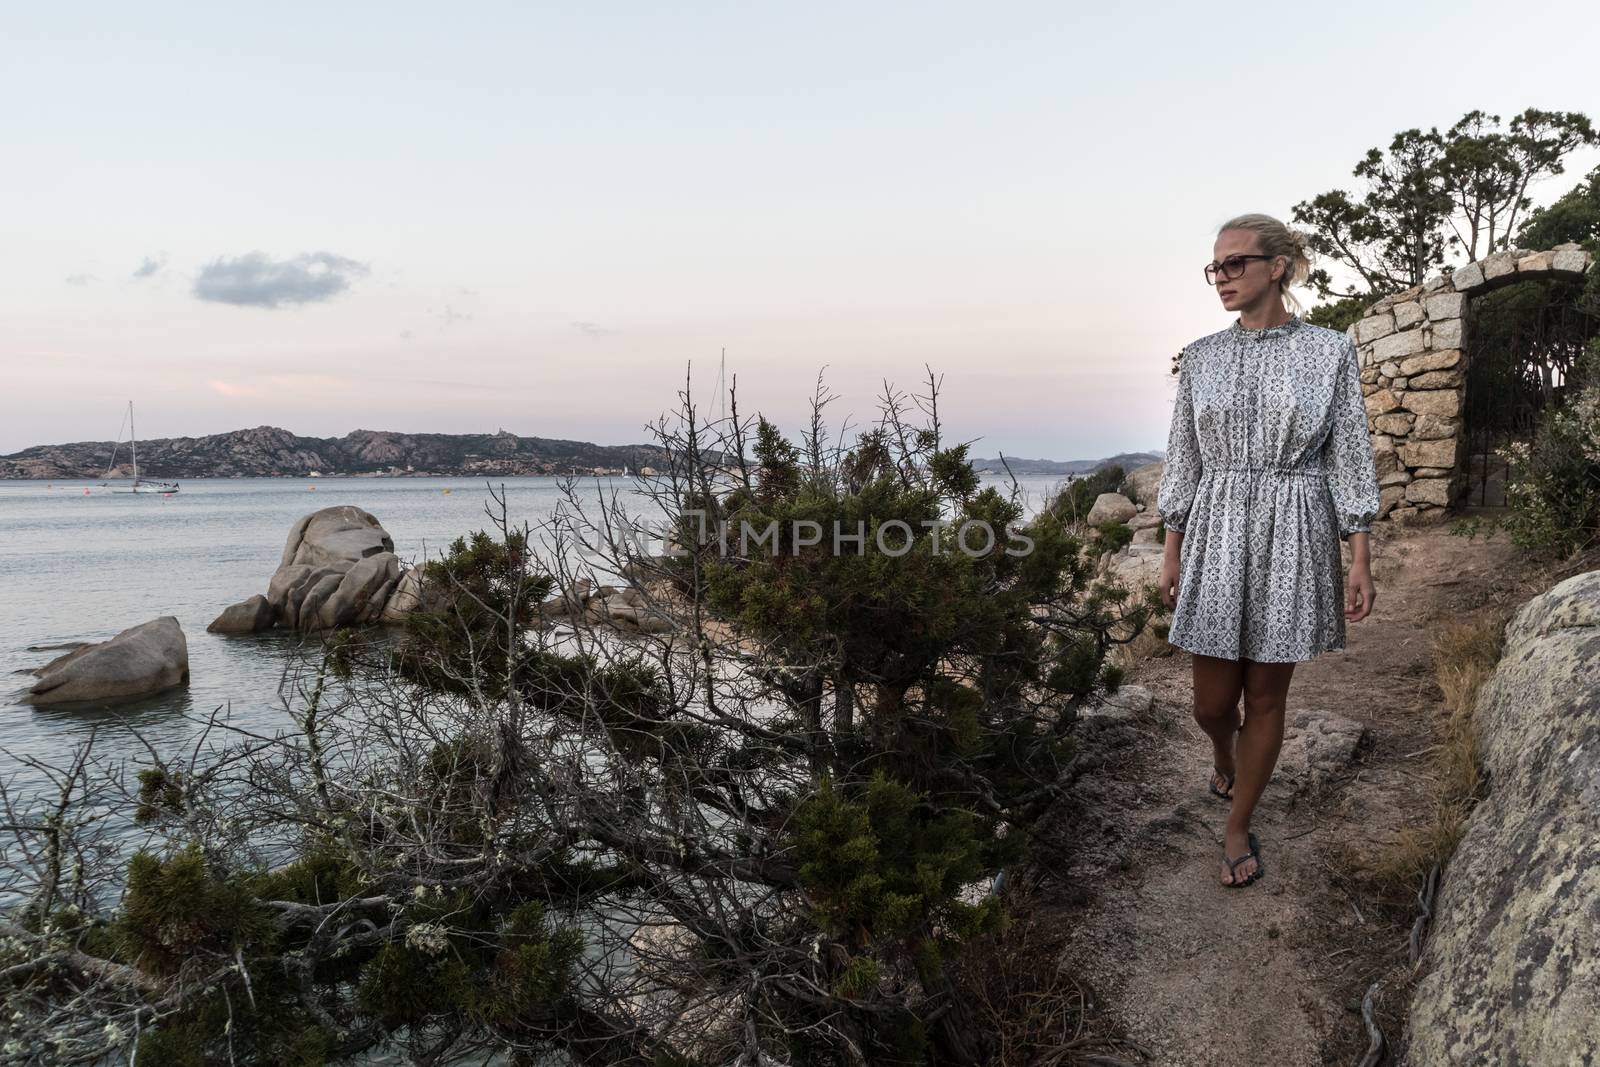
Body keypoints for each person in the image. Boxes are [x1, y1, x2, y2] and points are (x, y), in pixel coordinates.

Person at [1156, 213, 1382, 889]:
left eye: (1236, 264)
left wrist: (1360, 555)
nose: (1222, 278)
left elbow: (1350, 455)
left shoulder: (1328, 352)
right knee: (1210, 701)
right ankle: (1222, 753)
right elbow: (1183, 459)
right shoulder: (1201, 357)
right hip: (1218, 527)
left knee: (1268, 695)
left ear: (1278, 265)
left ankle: (1237, 821)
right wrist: (1172, 549)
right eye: (1215, 267)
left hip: (1296, 525)